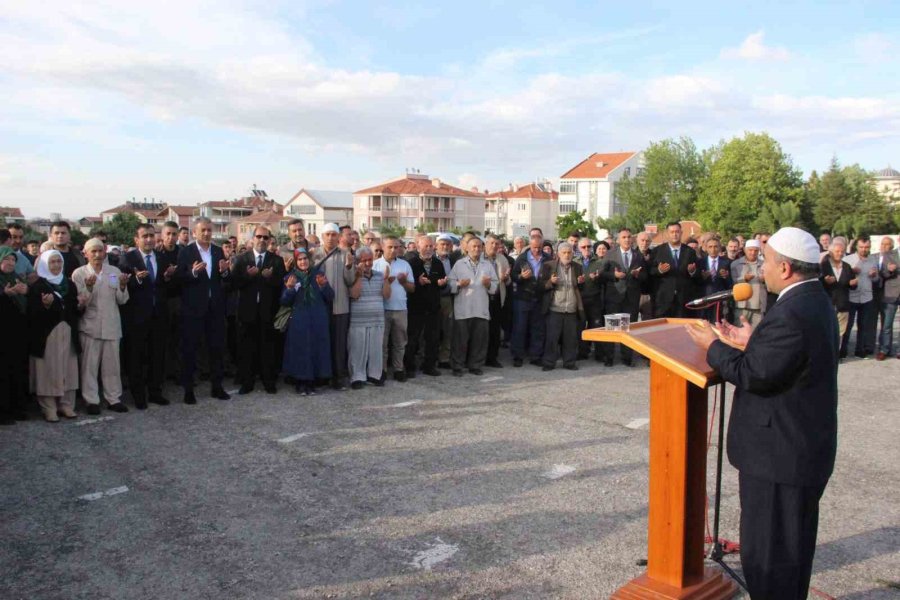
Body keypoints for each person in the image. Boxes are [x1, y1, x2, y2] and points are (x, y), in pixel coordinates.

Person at [686, 227, 838, 600]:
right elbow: (787, 358)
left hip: (779, 456)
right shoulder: (813, 299)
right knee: (791, 552)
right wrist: (753, 341)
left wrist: (713, 346)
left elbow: (754, 374)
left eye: (766, 262)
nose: (761, 270)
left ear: (785, 268)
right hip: (797, 448)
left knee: (771, 558)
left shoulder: (792, 312)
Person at [121, 224, 178, 409]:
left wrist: (168, 278)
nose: (149, 239)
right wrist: (136, 279)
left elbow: (166, 288)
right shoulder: (128, 258)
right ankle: (138, 394)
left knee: (157, 354)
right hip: (137, 315)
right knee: (136, 355)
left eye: (151, 236)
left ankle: (155, 391)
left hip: (159, 314)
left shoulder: (161, 257)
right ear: (136, 239)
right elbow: (120, 284)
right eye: (144, 236)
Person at [176, 217, 232, 404]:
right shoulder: (186, 252)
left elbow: (225, 279)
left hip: (214, 308)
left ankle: (217, 386)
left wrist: (225, 271)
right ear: (194, 233)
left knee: (216, 348)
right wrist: (193, 273)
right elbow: (179, 278)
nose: (207, 233)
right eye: (203, 230)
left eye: (209, 230)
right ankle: (188, 389)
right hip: (193, 308)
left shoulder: (217, 251)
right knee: (190, 349)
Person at [72, 239, 130, 414]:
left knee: (112, 366)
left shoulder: (113, 272)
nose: (97, 255)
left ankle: (113, 398)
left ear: (105, 252)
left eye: (100, 251)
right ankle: (91, 400)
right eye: (93, 251)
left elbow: (121, 300)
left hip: (112, 324)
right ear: (86, 254)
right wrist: (88, 289)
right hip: (90, 326)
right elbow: (80, 303)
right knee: (89, 366)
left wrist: (122, 286)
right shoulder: (79, 274)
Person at [229, 226, 286, 395]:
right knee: (247, 348)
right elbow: (233, 284)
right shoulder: (241, 259)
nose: (262, 240)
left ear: (269, 240)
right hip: (247, 311)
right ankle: (247, 382)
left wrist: (269, 278)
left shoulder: (276, 260)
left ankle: (269, 382)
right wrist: (249, 276)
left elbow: (281, 284)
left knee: (268, 347)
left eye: (265, 237)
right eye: (259, 236)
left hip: (268, 311)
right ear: (253, 238)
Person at [28, 250, 84, 421]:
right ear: (45, 264)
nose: (56, 265)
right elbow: (32, 313)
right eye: (52, 262)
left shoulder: (69, 284)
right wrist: (45, 306)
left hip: (68, 332)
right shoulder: (38, 286)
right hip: (47, 335)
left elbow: (74, 311)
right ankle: (49, 407)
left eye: (59, 261)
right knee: (48, 370)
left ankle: (66, 405)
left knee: (68, 369)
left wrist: (81, 305)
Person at [281, 248, 333, 395]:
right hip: (300, 321)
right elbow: (284, 301)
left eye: (305, 259)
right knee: (300, 350)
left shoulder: (318, 275)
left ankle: (313, 381)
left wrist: (323, 286)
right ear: (295, 262)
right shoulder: (290, 277)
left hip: (317, 319)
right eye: (299, 259)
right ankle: (300, 382)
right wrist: (290, 289)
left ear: (309, 260)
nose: (303, 262)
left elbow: (330, 296)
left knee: (316, 349)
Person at [312, 223, 356, 390]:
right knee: (320, 342)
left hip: (339, 306)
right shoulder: (313, 255)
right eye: (327, 234)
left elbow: (350, 281)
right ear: (322, 236)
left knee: (339, 345)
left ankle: (339, 377)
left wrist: (350, 267)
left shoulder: (345, 254)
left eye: (334, 234)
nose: (330, 238)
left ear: (338, 237)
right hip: (318, 307)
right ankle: (321, 376)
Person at [448, 237, 497, 376]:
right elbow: (450, 283)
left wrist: (489, 284)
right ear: (467, 248)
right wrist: (458, 284)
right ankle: (457, 366)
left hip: (480, 308)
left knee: (479, 340)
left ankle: (475, 365)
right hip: (463, 308)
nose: (476, 249)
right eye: (474, 246)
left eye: (479, 246)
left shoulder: (487, 265)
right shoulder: (459, 264)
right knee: (460, 340)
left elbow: (495, 285)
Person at [600, 228, 647, 366]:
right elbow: (602, 274)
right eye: (624, 237)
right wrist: (613, 275)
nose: (627, 239)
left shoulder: (638, 255)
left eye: (629, 237)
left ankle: (627, 358)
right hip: (614, 296)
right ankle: (609, 358)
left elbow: (645, 276)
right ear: (618, 240)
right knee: (612, 327)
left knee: (628, 328)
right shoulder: (610, 254)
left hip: (631, 298)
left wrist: (638, 275)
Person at [404, 235, 447, 377]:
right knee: (413, 339)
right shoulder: (411, 263)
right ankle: (409, 367)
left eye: (430, 246)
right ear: (418, 247)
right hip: (416, 308)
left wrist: (442, 283)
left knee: (432, 339)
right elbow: (408, 285)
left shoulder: (438, 263)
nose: (428, 249)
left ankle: (429, 366)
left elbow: (442, 281)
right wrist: (418, 282)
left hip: (433, 308)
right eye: (425, 246)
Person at [373, 236, 415, 382]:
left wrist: (403, 282)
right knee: (382, 343)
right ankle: (382, 370)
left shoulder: (405, 264)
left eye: (396, 247)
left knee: (400, 342)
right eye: (390, 247)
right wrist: (385, 282)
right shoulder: (375, 265)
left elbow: (412, 288)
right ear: (382, 247)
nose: (393, 250)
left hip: (400, 308)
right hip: (381, 309)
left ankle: (398, 369)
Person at [349, 247, 391, 389]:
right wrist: (358, 276)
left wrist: (386, 280)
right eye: (364, 260)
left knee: (376, 350)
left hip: (377, 319)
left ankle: (375, 375)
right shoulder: (352, 275)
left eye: (370, 260)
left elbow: (387, 295)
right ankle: (357, 377)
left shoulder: (379, 275)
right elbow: (354, 295)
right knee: (357, 350)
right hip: (358, 320)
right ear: (358, 261)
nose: (368, 263)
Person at [539, 242, 584, 371]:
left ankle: (569, 362)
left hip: (571, 308)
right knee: (552, 338)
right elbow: (540, 286)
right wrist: (550, 282)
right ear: (558, 254)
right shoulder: (548, 266)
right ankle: (549, 363)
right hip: (555, 308)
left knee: (570, 339)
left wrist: (581, 283)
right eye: (564, 252)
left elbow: (581, 289)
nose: (567, 255)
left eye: (569, 252)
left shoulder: (577, 267)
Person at [510, 228, 550, 367]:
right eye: (534, 247)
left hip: (539, 298)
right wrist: (521, 277)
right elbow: (513, 276)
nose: (537, 249)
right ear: (530, 244)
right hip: (523, 298)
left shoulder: (547, 258)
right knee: (519, 328)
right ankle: (518, 356)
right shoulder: (522, 258)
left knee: (538, 328)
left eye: (539, 247)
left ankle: (535, 356)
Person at [0, 247, 30, 424]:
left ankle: (17, 407)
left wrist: (26, 292)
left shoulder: (18, 278)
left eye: (13, 260)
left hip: (17, 332)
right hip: (2, 333)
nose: (10, 263)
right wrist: (5, 294)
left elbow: (27, 303)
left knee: (17, 368)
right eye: (6, 259)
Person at [651, 221, 700, 317]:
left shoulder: (689, 252)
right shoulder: (657, 251)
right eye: (672, 232)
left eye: (677, 232)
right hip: (663, 300)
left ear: (681, 233)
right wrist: (659, 270)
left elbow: (698, 273)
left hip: (683, 299)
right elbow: (651, 271)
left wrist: (692, 271)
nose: (674, 234)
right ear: (667, 233)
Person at [843, 235, 880, 358]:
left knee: (863, 326)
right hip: (851, 297)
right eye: (861, 247)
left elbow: (876, 280)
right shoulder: (848, 260)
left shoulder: (873, 260)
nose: (864, 249)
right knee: (847, 326)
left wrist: (874, 276)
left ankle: (860, 350)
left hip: (866, 297)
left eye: (866, 247)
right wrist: (851, 272)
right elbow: (842, 279)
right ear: (856, 247)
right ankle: (843, 350)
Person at [820, 239, 857, 355]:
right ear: (830, 252)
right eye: (837, 251)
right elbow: (817, 283)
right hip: (827, 304)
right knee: (826, 330)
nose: (840, 254)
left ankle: (836, 354)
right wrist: (824, 281)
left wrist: (853, 284)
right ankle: (825, 354)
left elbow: (852, 285)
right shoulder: (823, 266)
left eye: (842, 251)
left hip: (842, 304)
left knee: (840, 332)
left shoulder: (847, 267)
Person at [483, 234, 510, 368]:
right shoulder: (480, 258)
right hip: (483, 298)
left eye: (497, 244)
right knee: (482, 329)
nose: (494, 246)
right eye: (492, 243)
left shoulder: (502, 259)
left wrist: (506, 278)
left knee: (495, 330)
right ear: (486, 244)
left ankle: (492, 357)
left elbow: (508, 281)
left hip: (498, 298)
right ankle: (479, 357)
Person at [578, 237, 604, 361]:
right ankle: (582, 352)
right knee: (580, 326)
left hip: (595, 299)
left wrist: (598, 278)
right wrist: (578, 281)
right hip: (580, 300)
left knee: (597, 326)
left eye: (588, 246)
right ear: (579, 248)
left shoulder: (599, 262)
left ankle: (599, 354)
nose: (586, 249)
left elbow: (605, 280)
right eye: (583, 247)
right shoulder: (575, 261)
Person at [695, 237, 733, 323]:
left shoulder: (727, 262)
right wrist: (702, 277)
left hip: (720, 302)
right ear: (706, 248)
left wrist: (726, 277)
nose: (713, 249)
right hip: (704, 301)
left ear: (719, 248)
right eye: (710, 247)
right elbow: (695, 283)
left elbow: (730, 284)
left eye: (716, 246)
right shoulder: (700, 262)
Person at [434, 234, 458, 368]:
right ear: (436, 246)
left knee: (448, 329)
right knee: (433, 329)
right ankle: (429, 357)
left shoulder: (453, 260)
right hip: (433, 298)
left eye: (448, 244)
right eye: (442, 244)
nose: (445, 247)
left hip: (448, 298)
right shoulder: (430, 259)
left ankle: (444, 358)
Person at [730, 239, 767, 325]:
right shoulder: (736, 264)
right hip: (742, 304)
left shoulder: (764, 264)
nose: (753, 253)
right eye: (750, 250)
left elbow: (771, 283)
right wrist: (744, 279)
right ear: (744, 250)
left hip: (758, 304)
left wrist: (765, 280)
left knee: (756, 330)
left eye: (756, 250)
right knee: (739, 328)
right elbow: (732, 282)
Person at [876, 236, 899, 360]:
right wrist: (890, 271)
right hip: (891, 293)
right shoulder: (889, 254)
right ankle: (884, 349)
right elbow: (883, 273)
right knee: (887, 324)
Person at [636, 232, 655, 321]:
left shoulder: (654, 254)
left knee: (648, 321)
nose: (645, 243)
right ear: (637, 241)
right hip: (634, 293)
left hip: (648, 293)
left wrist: (648, 263)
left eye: (647, 241)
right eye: (642, 240)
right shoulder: (631, 254)